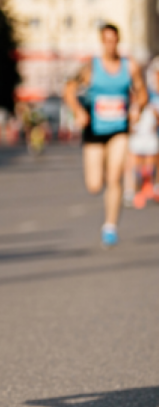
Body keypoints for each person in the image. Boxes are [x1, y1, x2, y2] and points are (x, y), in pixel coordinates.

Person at [64, 23, 148, 247]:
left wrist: (137, 109)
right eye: (106, 40)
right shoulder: (90, 67)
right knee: (94, 184)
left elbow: (142, 93)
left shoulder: (129, 66)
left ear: (118, 41)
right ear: (102, 42)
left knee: (115, 177)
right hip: (94, 129)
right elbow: (69, 90)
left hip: (119, 128)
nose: (111, 45)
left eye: (114, 40)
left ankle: (110, 226)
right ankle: (101, 184)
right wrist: (78, 111)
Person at [125, 57, 159, 209]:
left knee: (151, 165)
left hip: (150, 138)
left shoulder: (152, 103)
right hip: (138, 139)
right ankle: (136, 191)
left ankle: (151, 187)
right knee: (136, 167)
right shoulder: (134, 106)